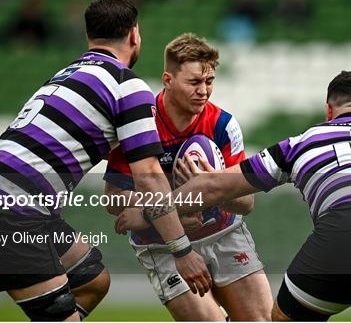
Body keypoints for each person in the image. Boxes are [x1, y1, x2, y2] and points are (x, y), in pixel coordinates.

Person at [122, 71, 351, 321]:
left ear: (329, 111)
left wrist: (149, 212)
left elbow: (218, 187)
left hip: (345, 231)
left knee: (281, 318)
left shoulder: (306, 141)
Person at [0, 0, 210, 321]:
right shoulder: (125, 84)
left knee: (91, 279)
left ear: (89, 36)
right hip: (14, 207)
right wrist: (182, 250)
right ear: (134, 34)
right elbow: (148, 172)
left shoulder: (66, 75)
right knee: (57, 313)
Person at [107, 33, 273, 321]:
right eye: (194, 82)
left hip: (224, 233)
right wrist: (182, 207)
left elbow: (246, 203)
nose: (204, 91)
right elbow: (114, 199)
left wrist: (212, 184)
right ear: (168, 80)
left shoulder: (223, 124)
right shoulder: (140, 125)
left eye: (209, 82)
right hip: (162, 246)